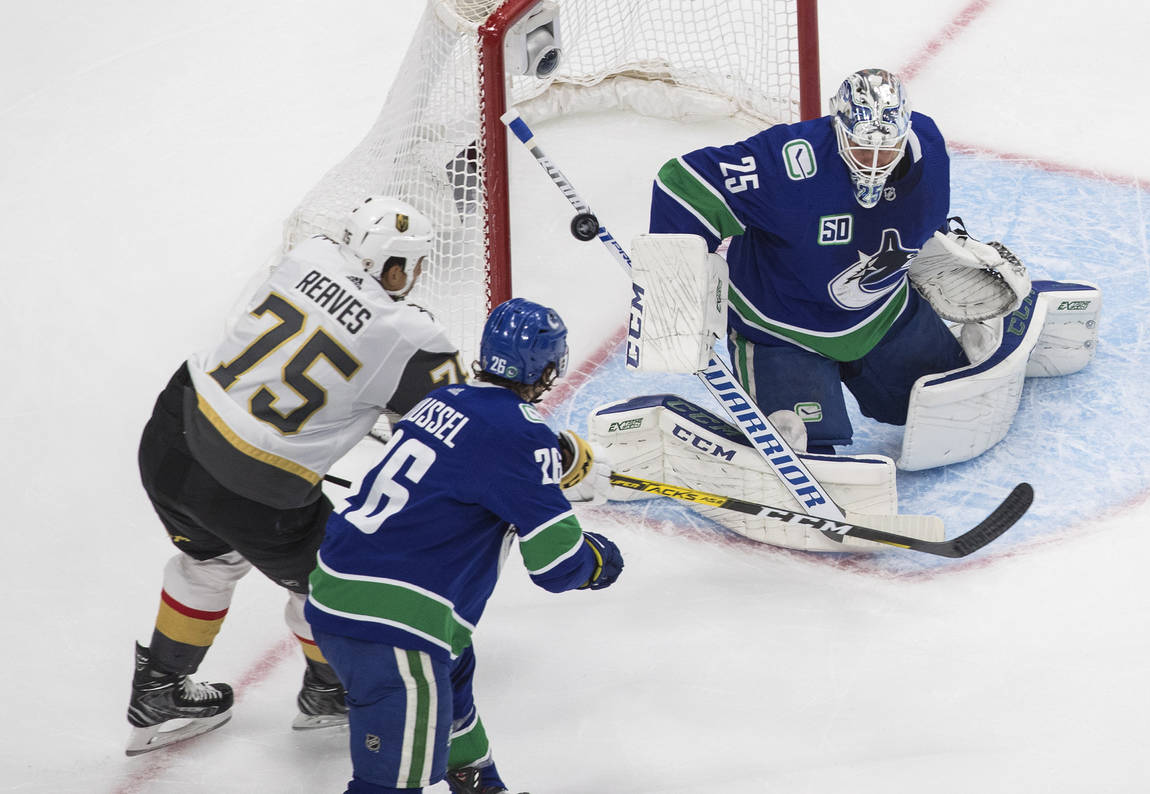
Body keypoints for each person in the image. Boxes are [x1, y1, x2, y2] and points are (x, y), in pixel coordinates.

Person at [127, 196, 467, 756]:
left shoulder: (308, 254)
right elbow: (455, 420)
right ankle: (328, 692)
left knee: (208, 560)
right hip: (255, 485)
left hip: (172, 433)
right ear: (395, 268)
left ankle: (159, 689)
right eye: (413, 265)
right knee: (329, 580)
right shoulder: (412, 336)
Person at [305, 297, 624, 794]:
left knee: (452, 692)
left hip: (341, 587)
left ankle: (482, 785)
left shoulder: (442, 399)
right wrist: (600, 559)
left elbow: (473, 460)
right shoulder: (524, 435)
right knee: (387, 784)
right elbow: (557, 566)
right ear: (547, 367)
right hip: (392, 623)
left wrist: (545, 464)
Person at [646, 67, 1020, 454]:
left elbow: (921, 216)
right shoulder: (787, 162)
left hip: (881, 313)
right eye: (861, 147)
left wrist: (939, 248)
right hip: (781, 329)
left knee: (945, 406)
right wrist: (677, 289)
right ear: (837, 128)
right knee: (807, 449)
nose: (874, 162)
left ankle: (947, 350)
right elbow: (682, 184)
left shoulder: (928, 146)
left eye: (887, 149)